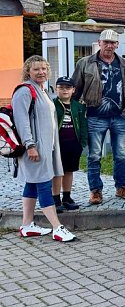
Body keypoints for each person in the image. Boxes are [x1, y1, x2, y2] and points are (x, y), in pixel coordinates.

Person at [71, 28, 125, 205]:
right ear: (99, 42)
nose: (109, 46)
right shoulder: (85, 63)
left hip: (120, 117)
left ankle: (121, 187)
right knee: (94, 155)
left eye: (113, 42)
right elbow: (75, 90)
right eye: (106, 42)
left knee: (121, 154)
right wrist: (78, 113)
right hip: (95, 116)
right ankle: (95, 191)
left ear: (117, 44)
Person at [14, 56, 76, 242]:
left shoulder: (42, 90)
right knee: (43, 185)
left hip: (46, 148)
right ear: (28, 71)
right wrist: (30, 145)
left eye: (44, 69)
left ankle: (26, 225)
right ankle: (57, 227)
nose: (41, 72)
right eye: (36, 69)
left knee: (32, 183)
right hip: (35, 149)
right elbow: (22, 121)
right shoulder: (24, 91)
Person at [51, 76, 86, 212]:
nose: (65, 90)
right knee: (57, 172)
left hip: (73, 143)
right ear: (56, 89)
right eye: (61, 87)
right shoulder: (52, 105)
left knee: (69, 170)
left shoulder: (78, 106)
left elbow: (83, 125)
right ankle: (55, 199)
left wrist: (82, 143)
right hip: (58, 144)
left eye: (68, 88)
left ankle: (67, 197)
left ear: (73, 90)